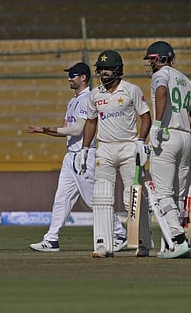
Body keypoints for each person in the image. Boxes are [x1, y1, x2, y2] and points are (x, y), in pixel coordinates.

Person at [27, 62, 128, 252]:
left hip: (84, 154)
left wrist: (46, 129)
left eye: (73, 75)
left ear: (83, 77)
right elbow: (67, 130)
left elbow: (78, 129)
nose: (69, 78)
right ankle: (51, 238)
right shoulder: (73, 100)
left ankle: (119, 233)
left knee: (92, 200)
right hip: (70, 156)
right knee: (61, 198)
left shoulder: (86, 98)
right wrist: (44, 131)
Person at [75, 50, 152, 258]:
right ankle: (103, 244)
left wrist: (140, 141)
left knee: (132, 197)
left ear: (118, 70)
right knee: (101, 196)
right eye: (101, 69)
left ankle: (142, 241)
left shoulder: (131, 90)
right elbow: (91, 122)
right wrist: (84, 148)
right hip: (105, 149)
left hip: (128, 147)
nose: (104, 72)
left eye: (108, 69)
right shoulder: (95, 94)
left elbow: (146, 117)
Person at [143, 41, 191, 259]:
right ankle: (172, 243)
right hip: (186, 136)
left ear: (159, 58)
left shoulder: (160, 75)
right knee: (177, 194)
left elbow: (161, 93)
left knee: (162, 193)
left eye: (151, 59)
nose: (150, 63)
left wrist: (157, 125)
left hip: (167, 135)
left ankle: (178, 240)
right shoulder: (187, 81)